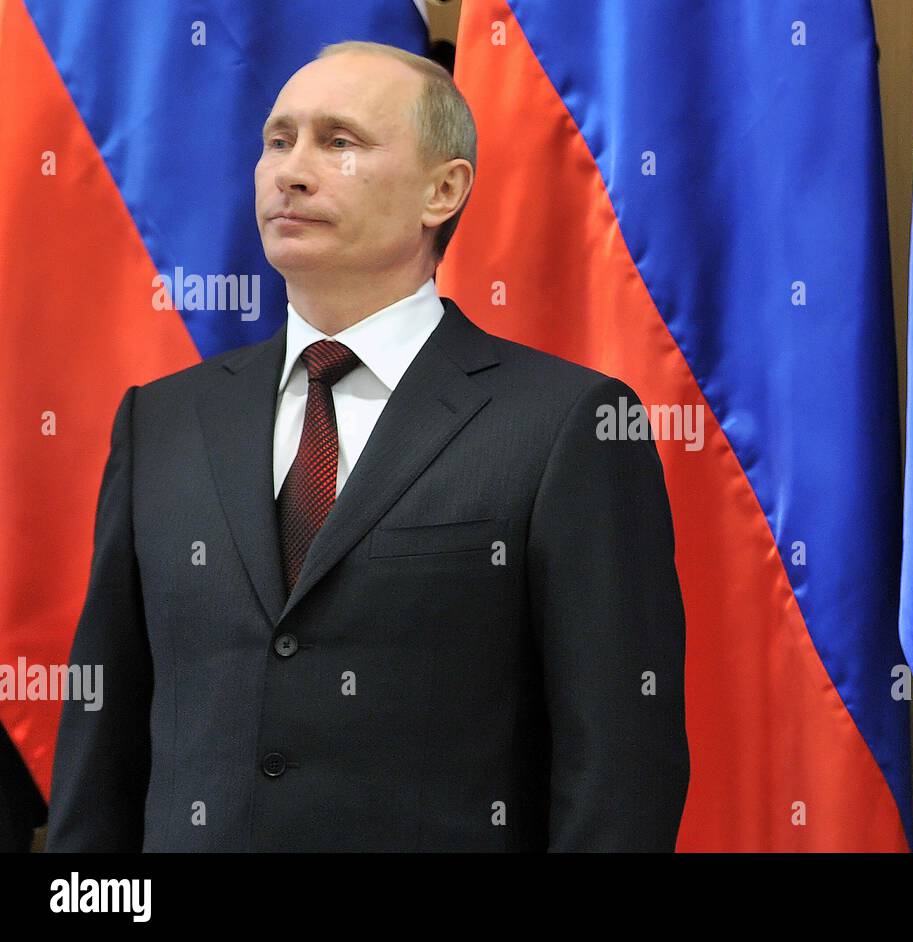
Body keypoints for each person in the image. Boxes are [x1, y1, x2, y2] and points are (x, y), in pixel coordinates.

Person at [45, 41, 689, 852]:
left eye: (339, 142)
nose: (293, 170)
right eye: (279, 141)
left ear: (442, 189)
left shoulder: (566, 424)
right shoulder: (162, 421)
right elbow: (102, 740)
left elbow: (620, 769)